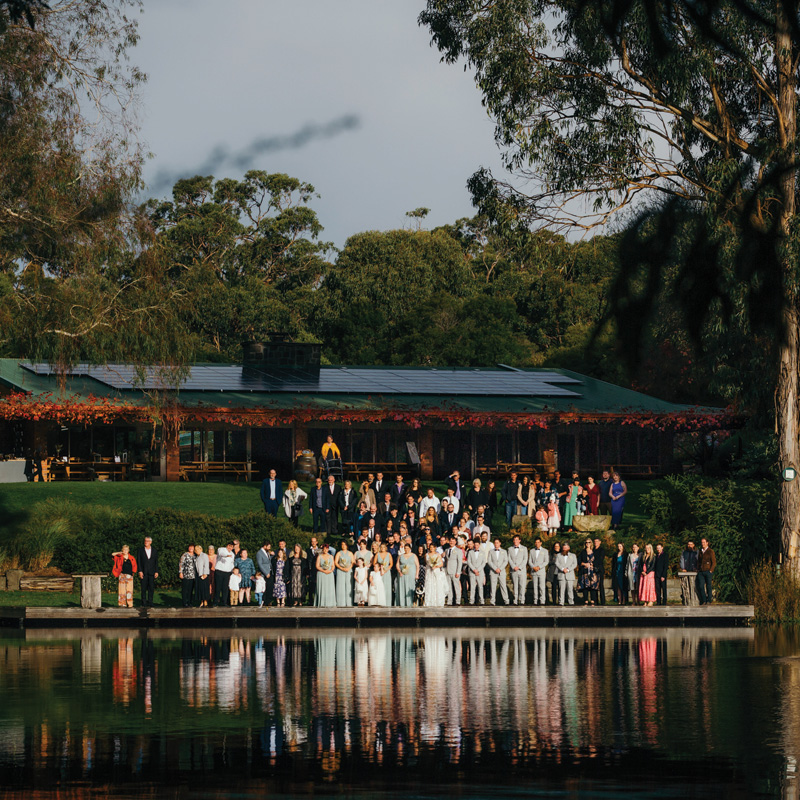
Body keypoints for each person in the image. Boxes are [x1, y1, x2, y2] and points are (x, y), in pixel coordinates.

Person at [136, 536, 159, 608]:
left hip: (152, 572)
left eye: (147, 541)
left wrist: (156, 571)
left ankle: (150, 602)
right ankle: (143, 602)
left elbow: (156, 562)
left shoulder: (154, 550)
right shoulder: (140, 550)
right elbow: (139, 561)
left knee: (151, 588)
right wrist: (140, 571)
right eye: (145, 541)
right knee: (143, 588)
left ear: (150, 542)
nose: (146, 542)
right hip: (144, 572)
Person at [486, 539, 509, 605]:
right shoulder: (491, 551)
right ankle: (492, 601)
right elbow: (489, 561)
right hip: (493, 571)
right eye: (495, 543)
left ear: (500, 543)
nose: (496, 544)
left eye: (497, 543)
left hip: (501, 572)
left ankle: (506, 601)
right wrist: (495, 568)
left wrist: (500, 568)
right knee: (493, 587)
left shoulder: (504, 551)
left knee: (503, 586)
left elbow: (505, 561)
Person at [508, 535, 529, 605]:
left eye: (516, 540)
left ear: (519, 540)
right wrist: (513, 566)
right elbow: (509, 559)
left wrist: (519, 567)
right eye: (514, 540)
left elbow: (525, 559)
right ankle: (515, 600)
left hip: (521, 570)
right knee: (515, 586)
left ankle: (522, 600)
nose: (515, 541)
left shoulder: (524, 548)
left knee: (522, 585)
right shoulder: (510, 549)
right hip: (513, 570)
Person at [528, 537, 549, 605]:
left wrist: (539, 567)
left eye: (538, 542)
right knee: (535, 586)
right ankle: (535, 600)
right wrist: (533, 567)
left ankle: (542, 601)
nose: (537, 544)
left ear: (541, 543)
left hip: (541, 571)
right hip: (534, 571)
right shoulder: (531, 551)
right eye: (536, 542)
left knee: (542, 586)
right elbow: (529, 561)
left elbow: (546, 561)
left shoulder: (545, 551)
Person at [577, 539, 599, 605]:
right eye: (586, 542)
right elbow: (579, 561)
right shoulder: (583, 552)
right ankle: (585, 600)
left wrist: (593, 565)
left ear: (591, 543)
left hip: (593, 571)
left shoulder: (594, 552)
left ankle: (593, 600)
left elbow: (598, 560)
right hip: (585, 571)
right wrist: (584, 564)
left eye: (589, 542)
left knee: (593, 586)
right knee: (585, 586)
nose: (587, 543)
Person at [697, 537, 716, 604]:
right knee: (701, 586)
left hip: (708, 571)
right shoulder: (700, 551)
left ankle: (709, 600)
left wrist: (711, 570)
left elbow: (714, 562)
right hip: (701, 571)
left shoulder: (710, 551)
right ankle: (704, 600)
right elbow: (699, 561)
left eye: (704, 542)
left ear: (707, 543)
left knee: (708, 586)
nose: (703, 544)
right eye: (702, 542)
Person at [334, 541, 354, 606]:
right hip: (340, 570)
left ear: (347, 545)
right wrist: (341, 568)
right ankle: (340, 603)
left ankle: (349, 603)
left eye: (345, 544)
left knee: (349, 586)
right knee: (340, 586)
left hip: (348, 570)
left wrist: (349, 568)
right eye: (342, 544)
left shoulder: (350, 553)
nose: (343, 546)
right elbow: (336, 562)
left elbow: (353, 562)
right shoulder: (339, 553)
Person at [214, 542, 234, 606]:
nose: (230, 548)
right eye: (229, 546)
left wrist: (232, 571)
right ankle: (215, 602)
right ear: (227, 545)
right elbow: (221, 553)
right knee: (218, 588)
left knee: (225, 588)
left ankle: (224, 602)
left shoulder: (232, 554)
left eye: (231, 547)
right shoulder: (221, 549)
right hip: (219, 571)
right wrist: (227, 555)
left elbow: (232, 563)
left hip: (227, 573)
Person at [445, 536, 464, 605]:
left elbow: (460, 562)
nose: (451, 542)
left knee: (456, 587)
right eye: (450, 541)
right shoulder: (447, 550)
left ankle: (458, 601)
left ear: (455, 542)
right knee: (449, 587)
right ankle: (449, 601)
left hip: (455, 571)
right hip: (448, 571)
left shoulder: (458, 551)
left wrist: (458, 572)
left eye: (453, 541)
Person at [467, 540, 487, 605]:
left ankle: (482, 600)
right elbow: (469, 562)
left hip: (480, 572)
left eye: (477, 545)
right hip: (472, 572)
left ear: (479, 545)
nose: (476, 546)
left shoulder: (483, 553)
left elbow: (484, 562)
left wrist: (478, 570)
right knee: (472, 587)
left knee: (480, 586)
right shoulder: (470, 552)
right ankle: (471, 601)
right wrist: (474, 569)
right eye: (475, 545)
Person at [179, 543, 197, 608]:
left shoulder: (195, 555)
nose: (191, 548)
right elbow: (181, 564)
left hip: (193, 576)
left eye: (192, 547)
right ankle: (185, 602)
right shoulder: (185, 555)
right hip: (186, 574)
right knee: (185, 590)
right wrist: (180, 572)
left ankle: (189, 602)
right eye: (190, 547)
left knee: (190, 590)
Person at [593, 537, 606, 605]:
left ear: (600, 542)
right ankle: (595, 601)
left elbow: (600, 559)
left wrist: (593, 563)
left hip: (599, 568)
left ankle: (603, 601)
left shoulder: (601, 550)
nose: (595, 543)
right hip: (593, 569)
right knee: (594, 585)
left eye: (597, 541)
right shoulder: (593, 550)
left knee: (601, 585)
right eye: (594, 541)